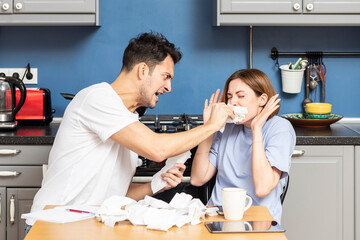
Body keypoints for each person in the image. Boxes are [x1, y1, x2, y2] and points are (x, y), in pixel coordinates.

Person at [27, 32, 234, 228]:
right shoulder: (97, 98)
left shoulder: (129, 120)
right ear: (143, 70)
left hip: (89, 226)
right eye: (165, 76)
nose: (169, 87)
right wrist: (212, 126)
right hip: (55, 225)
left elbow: (114, 196)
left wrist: (155, 185)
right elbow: (157, 149)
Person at [190, 68, 296, 224]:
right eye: (229, 97)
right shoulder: (226, 127)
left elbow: (262, 188)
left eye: (240, 96)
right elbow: (198, 179)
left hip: (259, 219)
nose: (232, 102)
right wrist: (209, 128)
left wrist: (256, 129)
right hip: (217, 217)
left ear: (262, 100)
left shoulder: (280, 129)